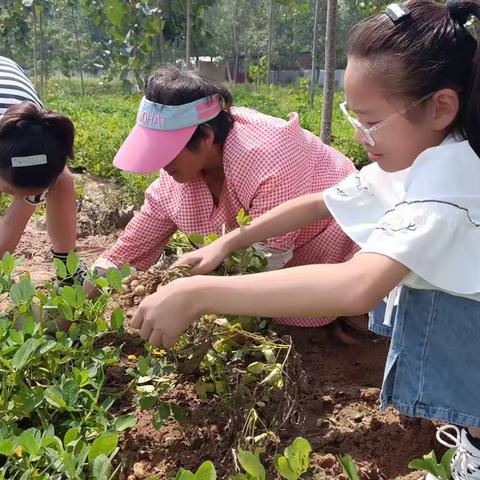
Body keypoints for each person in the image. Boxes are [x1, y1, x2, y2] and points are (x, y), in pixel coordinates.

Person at [129, 1, 480, 477]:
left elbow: (356, 286)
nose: (359, 136)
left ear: (441, 107)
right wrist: (229, 243)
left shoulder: (447, 192)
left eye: (371, 120)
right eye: (351, 115)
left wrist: (198, 293)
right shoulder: (432, 153)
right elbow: (321, 200)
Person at [94, 65, 360, 330]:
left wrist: (194, 299)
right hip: (277, 259)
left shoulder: (267, 155)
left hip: (339, 239)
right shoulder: (173, 183)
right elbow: (128, 251)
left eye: (169, 152)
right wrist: (69, 309)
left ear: (207, 136)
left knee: (359, 311)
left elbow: (264, 262)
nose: (162, 164)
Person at [0, 56, 84, 282]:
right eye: (12, 191)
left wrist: (30, 197)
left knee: (63, 182)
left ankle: (68, 270)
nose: (20, 198)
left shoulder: (42, 134)